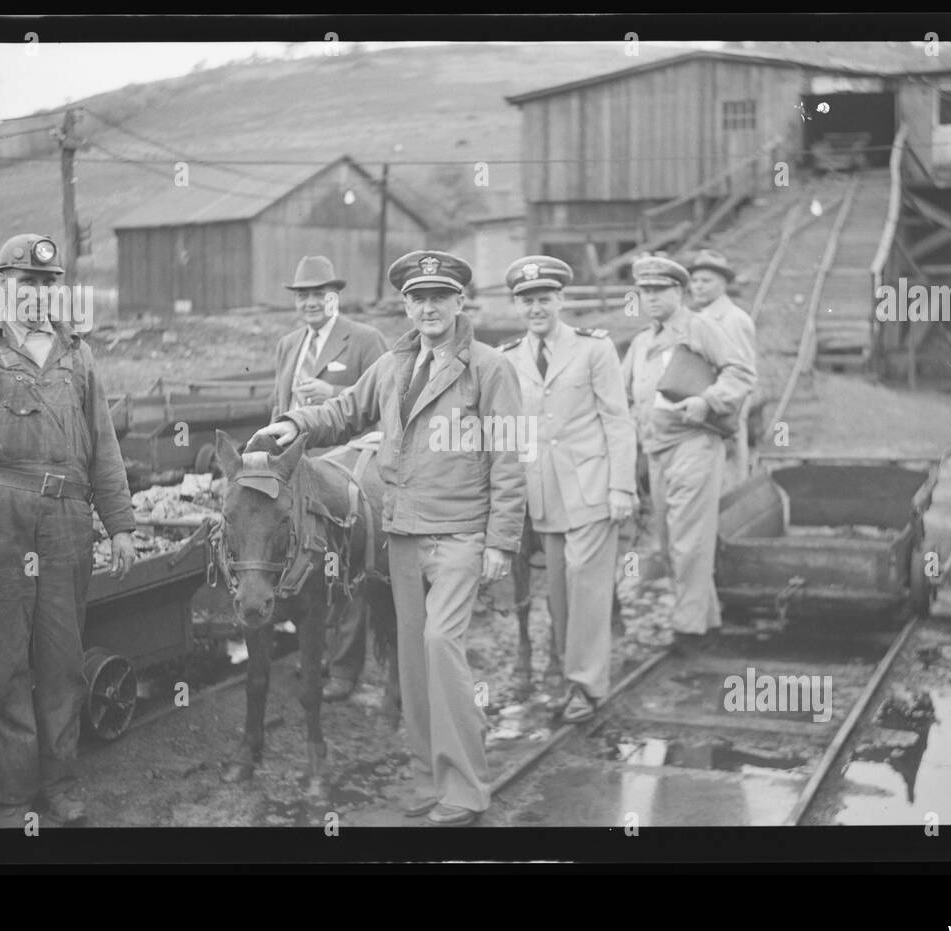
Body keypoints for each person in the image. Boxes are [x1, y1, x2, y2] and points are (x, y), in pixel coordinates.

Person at [252, 250, 525, 827]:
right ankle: (429, 780)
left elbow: (509, 458)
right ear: (405, 304)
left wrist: (501, 540)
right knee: (412, 658)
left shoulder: (490, 368)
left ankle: (468, 788)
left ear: (459, 303)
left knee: (440, 649)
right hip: (401, 533)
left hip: (460, 532)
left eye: (440, 297)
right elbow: (346, 411)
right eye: (417, 298)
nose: (428, 308)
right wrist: (296, 423)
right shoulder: (394, 365)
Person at [0, 233, 136, 828]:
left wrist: (120, 524)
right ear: (0, 286)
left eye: (49, 284)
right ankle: (13, 796)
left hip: (67, 524)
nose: (38, 294)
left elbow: (104, 447)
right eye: (26, 282)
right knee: (5, 666)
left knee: (61, 658)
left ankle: (61, 783)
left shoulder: (79, 353)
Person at [498, 255, 636, 723]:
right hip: (542, 494)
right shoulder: (507, 358)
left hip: (593, 487)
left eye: (544, 299)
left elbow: (618, 420)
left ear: (561, 300)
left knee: (586, 585)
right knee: (558, 590)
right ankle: (568, 673)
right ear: (517, 306)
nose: (536, 308)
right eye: (527, 301)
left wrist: (622, 487)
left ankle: (585, 684)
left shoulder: (594, 349)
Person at [621, 254, 756, 646]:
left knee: (688, 539)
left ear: (678, 291)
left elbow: (741, 372)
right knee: (669, 538)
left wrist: (709, 400)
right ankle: (708, 619)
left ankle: (688, 629)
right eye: (645, 291)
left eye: (660, 290)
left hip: (694, 443)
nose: (652, 298)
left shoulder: (700, 327)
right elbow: (625, 394)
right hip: (656, 448)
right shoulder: (642, 341)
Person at [274, 255, 388, 701]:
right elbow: (276, 407)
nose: (309, 303)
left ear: (333, 297)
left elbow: (384, 403)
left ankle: (344, 670)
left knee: (345, 573)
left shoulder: (364, 339)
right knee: (305, 569)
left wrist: (334, 394)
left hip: (347, 479)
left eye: (317, 294)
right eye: (301, 295)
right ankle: (315, 654)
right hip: (299, 475)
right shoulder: (288, 345)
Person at [686, 249, 759, 491]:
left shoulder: (733, 319)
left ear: (724, 284)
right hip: (705, 410)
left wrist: (730, 415)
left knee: (726, 479)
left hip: (725, 413)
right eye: (694, 281)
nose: (698, 287)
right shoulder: (701, 317)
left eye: (706, 281)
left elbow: (742, 374)